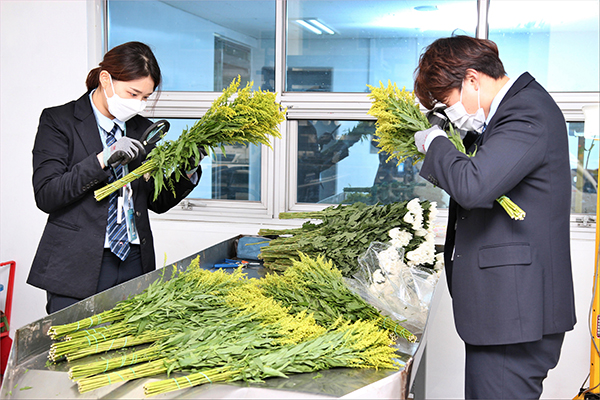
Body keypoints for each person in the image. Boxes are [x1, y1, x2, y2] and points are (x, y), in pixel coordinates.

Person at [413, 36, 576, 399]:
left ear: (471, 80)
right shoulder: (507, 115)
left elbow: (473, 186)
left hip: (517, 316)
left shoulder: (527, 112)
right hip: (508, 312)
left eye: (447, 102)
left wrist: (435, 143)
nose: (450, 112)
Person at [28, 42, 201, 314]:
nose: (137, 104)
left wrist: (187, 170)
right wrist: (102, 160)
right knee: (74, 348)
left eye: (145, 98)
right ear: (105, 79)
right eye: (132, 93)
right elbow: (48, 194)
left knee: (128, 348)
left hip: (133, 259)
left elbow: (157, 200)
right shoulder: (59, 121)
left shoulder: (142, 129)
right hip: (76, 263)